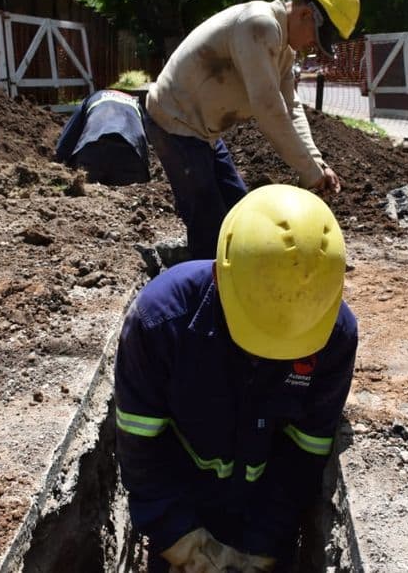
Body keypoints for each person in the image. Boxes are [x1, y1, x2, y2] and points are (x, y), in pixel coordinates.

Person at [114, 184, 359, 572]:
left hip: (265, 516)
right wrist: (183, 542)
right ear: (220, 270)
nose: (265, 354)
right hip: (181, 509)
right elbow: (141, 447)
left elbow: (305, 451)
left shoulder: (334, 335)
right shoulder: (160, 323)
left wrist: (261, 546)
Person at [143, 0, 360, 259]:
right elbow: (269, 110)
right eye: (316, 38)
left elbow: (291, 109)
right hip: (174, 123)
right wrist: (309, 173)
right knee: (210, 230)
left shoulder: (284, 48)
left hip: (202, 133)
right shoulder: (260, 25)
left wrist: (316, 162)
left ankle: (216, 274)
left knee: (240, 217)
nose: (313, 47)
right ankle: (201, 290)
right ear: (306, 14)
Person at [54, 88, 150, 186]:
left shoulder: (91, 99)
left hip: (93, 153)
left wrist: (59, 161)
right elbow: (143, 139)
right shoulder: (136, 104)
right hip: (130, 158)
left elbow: (69, 136)